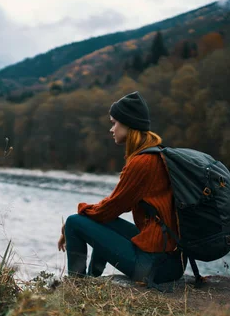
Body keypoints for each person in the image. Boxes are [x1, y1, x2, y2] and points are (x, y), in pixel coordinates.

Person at [57, 91, 184, 285]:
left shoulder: (142, 162)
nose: (112, 129)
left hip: (154, 266)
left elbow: (111, 208)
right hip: (171, 260)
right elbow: (105, 215)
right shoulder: (158, 155)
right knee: (98, 219)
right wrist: (89, 214)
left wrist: (79, 214)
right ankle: (91, 278)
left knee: (75, 222)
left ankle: (77, 285)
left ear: (128, 124)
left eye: (114, 122)